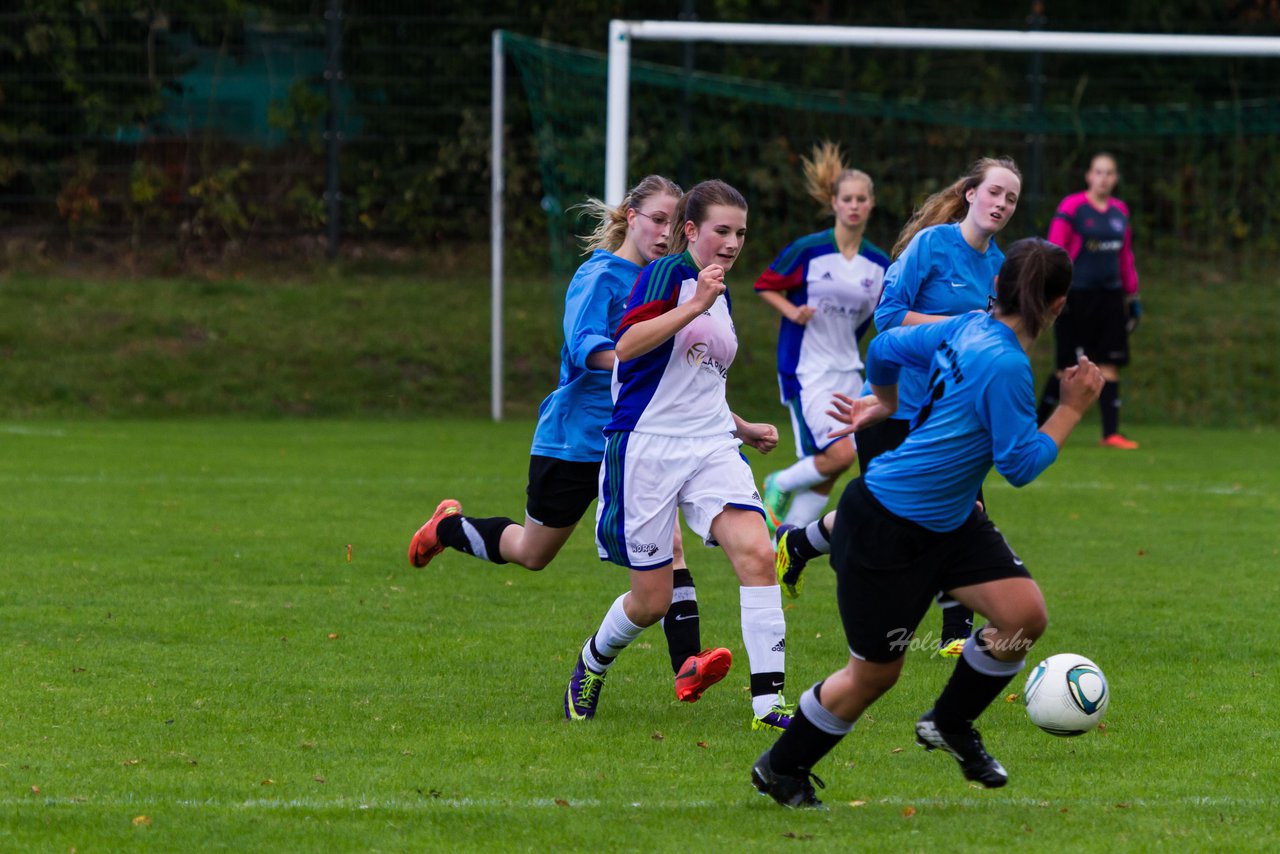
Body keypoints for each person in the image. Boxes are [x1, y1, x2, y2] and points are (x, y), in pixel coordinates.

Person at [751, 238, 1105, 808]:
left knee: (1022, 616)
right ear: (1059, 305)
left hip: (950, 521)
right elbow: (1019, 465)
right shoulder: (1007, 365)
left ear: (997, 287)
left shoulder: (965, 327)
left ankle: (950, 721)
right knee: (873, 676)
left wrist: (884, 401)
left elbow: (886, 343)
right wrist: (1070, 408)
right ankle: (781, 766)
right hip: (888, 527)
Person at [408, 175, 732, 703]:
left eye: (674, 225)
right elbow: (585, 347)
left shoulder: (669, 281)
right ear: (631, 215)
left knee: (668, 542)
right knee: (533, 552)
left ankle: (687, 663)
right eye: (656, 219)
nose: (664, 232)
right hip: (575, 440)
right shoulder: (600, 274)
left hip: (636, 439)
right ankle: (449, 528)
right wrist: (630, 351)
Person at [564, 179, 793, 731]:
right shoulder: (667, 275)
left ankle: (769, 707)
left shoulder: (720, 290)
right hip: (646, 446)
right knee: (651, 599)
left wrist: (741, 427)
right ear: (690, 230)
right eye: (722, 230)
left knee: (758, 554)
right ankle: (591, 664)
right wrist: (693, 304)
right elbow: (628, 347)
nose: (734, 242)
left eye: (740, 232)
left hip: (710, 445)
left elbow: (697, 376)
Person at [775, 157, 1022, 655]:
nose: (1001, 204)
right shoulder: (931, 245)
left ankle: (956, 634)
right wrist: (954, 327)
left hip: (954, 411)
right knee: (885, 519)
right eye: (994, 192)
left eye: (1012, 198)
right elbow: (888, 319)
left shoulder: (1000, 268)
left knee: (964, 510)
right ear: (971, 193)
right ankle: (798, 544)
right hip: (893, 405)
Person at [755, 142, 888, 535]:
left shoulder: (879, 263)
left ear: (870, 204)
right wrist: (793, 312)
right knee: (840, 455)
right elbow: (765, 285)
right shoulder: (809, 250)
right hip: (807, 369)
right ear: (834, 202)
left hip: (849, 368)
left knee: (832, 463)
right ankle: (778, 482)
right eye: (847, 198)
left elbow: (877, 316)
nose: (854, 205)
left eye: (861, 199)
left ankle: (788, 538)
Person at [1037, 152, 1142, 449]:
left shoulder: (1120, 212)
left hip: (1110, 297)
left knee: (1109, 363)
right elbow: (1055, 251)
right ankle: (1034, 426)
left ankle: (1111, 434)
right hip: (1075, 297)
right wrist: (1053, 290)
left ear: (1116, 178)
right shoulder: (1073, 208)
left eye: (1109, 173)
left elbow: (1125, 256)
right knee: (1067, 367)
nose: (1104, 178)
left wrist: (1131, 295)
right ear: (1088, 176)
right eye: (1098, 172)